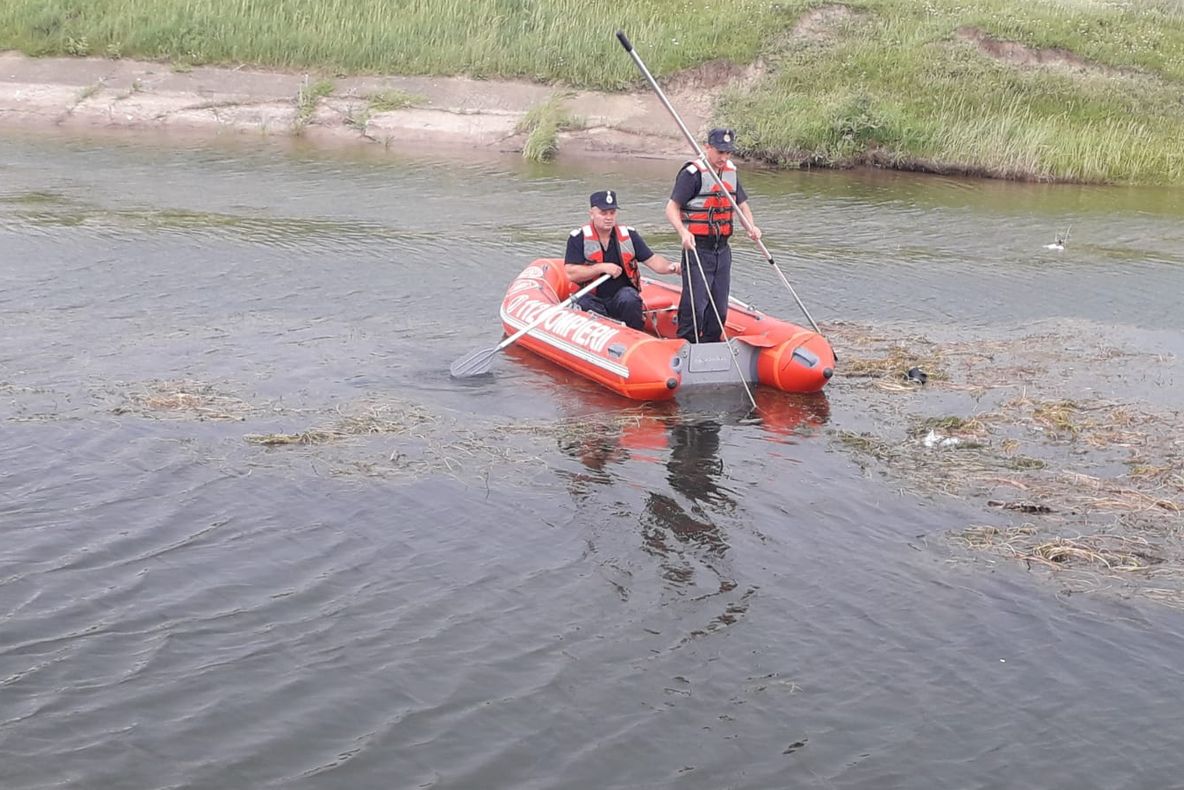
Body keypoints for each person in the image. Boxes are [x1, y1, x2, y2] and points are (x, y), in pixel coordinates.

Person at [664, 128, 762, 343]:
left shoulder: (730, 172)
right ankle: (686, 343)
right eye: (719, 152)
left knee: (719, 305)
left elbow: (742, 205)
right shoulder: (692, 174)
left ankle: (711, 343)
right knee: (695, 303)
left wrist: (751, 227)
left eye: (728, 153)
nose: (724, 157)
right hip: (697, 247)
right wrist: (683, 232)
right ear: (707, 147)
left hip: (722, 249)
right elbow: (671, 208)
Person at [565, 190, 679, 331]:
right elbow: (571, 273)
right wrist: (601, 268)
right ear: (592, 214)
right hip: (592, 298)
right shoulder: (578, 238)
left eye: (612, 213)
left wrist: (672, 267)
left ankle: (636, 336)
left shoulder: (628, 236)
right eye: (603, 213)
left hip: (621, 298)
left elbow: (653, 261)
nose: (608, 217)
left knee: (629, 298)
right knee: (584, 302)